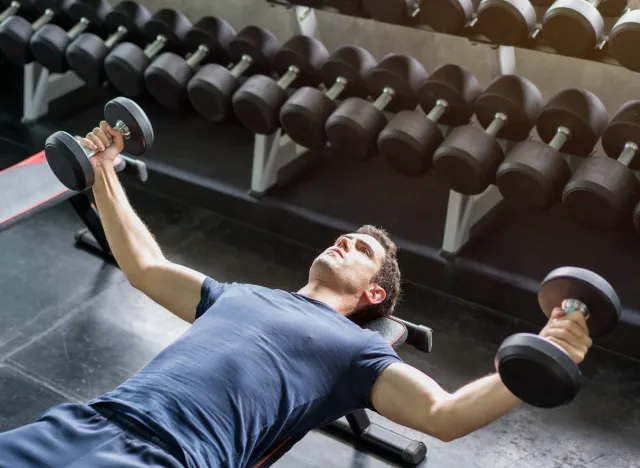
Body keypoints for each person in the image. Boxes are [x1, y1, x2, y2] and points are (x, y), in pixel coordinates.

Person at [0, 122, 593, 468]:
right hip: (85, 422)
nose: (345, 240)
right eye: (347, 235)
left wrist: (547, 353)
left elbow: (444, 415)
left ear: (374, 294)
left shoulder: (358, 352)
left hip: (170, 458)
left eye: (362, 248)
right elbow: (143, 264)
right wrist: (103, 167)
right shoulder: (239, 295)